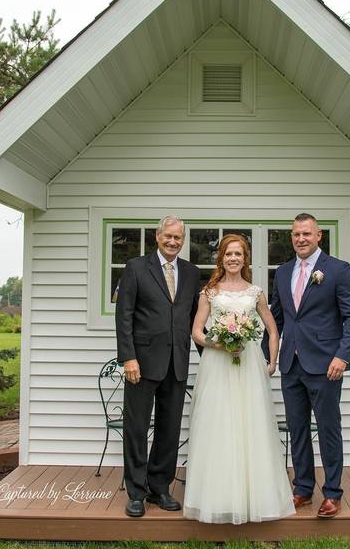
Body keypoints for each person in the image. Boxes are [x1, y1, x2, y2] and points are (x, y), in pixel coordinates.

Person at [184, 234, 295, 524]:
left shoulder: (256, 292)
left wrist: (272, 362)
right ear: (221, 258)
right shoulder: (209, 292)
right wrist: (219, 345)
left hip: (248, 368)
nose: (233, 258)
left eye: (239, 254)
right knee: (218, 427)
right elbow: (197, 331)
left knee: (250, 428)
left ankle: (253, 498)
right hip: (217, 366)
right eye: (228, 254)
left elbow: (272, 329)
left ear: (245, 259)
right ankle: (218, 498)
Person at [268, 213, 350, 518]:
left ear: (318, 235)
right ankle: (303, 489)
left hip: (325, 364)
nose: (301, 239)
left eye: (306, 233)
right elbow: (277, 320)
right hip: (290, 364)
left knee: (328, 428)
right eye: (296, 234)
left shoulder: (337, 270)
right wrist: (266, 355)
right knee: (297, 430)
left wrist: (342, 356)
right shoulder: (282, 272)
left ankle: (332, 493)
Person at [116, 215, 201, 518]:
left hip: (177, 363)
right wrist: (128, 357)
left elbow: (195, 321)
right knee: (137, 428)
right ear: (157, 235)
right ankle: (136, 492)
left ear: (183, 239)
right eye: (168, 236)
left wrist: (212, 358)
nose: (173, 242)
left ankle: (159, 488)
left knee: (169, 429)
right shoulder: (136, 268)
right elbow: (124, 316)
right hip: (141, 363)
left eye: (178, 237)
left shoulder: (191, 273)